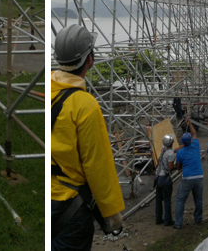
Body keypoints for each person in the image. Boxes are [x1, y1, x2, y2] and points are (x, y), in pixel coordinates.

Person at [51, 25, 124, 250]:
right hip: (70, 207)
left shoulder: (47, 90)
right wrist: (111, 212)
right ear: (89, 59)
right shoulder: (85, 105)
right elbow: (97, 164)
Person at [173, 119, 203, 228]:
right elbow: (194, 134)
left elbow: (178, 167)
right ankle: (198, 219)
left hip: (187, 178)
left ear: (182, 143)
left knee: (180, 200)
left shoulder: (180, 152)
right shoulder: (195, 145)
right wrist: (190, 124)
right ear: (190, 141)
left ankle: (178, 223)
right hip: (199, 176)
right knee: (198, 199)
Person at [155, 134, 176, 226]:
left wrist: (183, 146)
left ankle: (158, 219)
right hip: (166, 178)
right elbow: (170, 167)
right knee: (167, 200)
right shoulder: (170, 154)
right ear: (171, 142)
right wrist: (178, 166)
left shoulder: (164, 149)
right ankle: (168, 220)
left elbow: (174, 149)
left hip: (159, 176)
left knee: (158, 200)